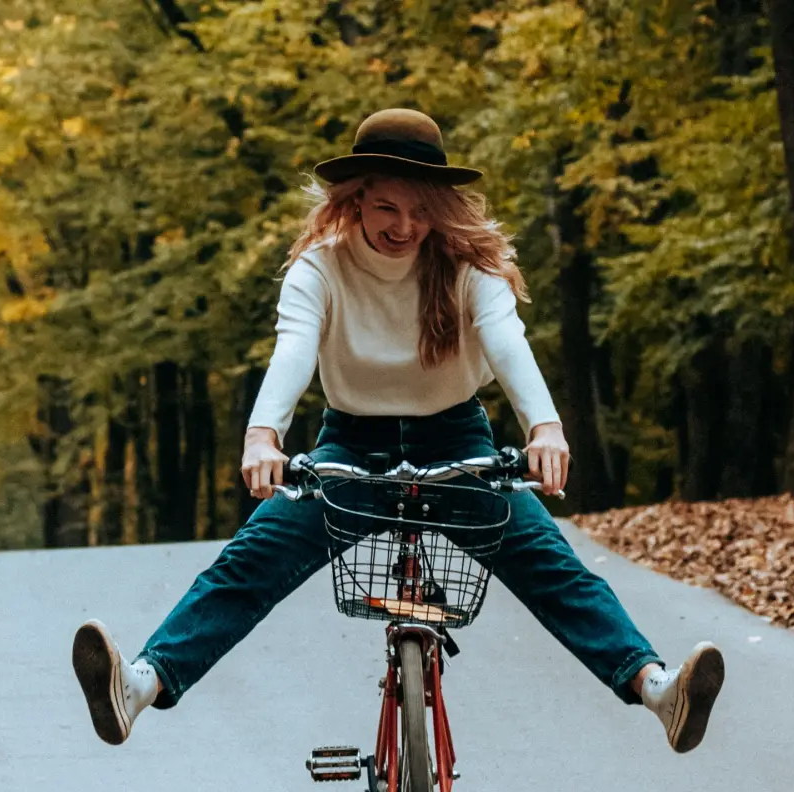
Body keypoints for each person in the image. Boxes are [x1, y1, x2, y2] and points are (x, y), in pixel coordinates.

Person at [72, 108, 724, 752]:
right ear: (354, 201)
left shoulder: (471, 266)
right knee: (251, 562)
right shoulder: (319, 270)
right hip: (352, 445)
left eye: (420, 210)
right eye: (387, 208)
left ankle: (657, 689)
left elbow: (507, 342)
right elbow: (294, 351)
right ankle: (142, 684)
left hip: (458, 442)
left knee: (553, 567)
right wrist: (261, 436)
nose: (405, 226)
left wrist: (545, 428)